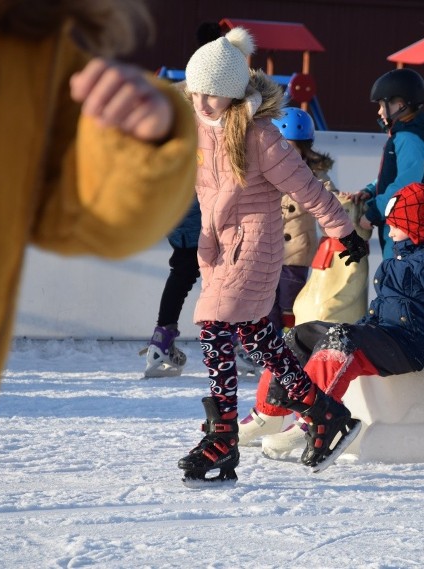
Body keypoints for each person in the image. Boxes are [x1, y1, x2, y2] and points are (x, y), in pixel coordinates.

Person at [0, 0, 198, 517]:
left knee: (210, 300)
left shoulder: (23, 40)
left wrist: (141, 143)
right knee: (202, 296)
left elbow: (77, 209)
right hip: (207, 241)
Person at [175, 27, 368, 484]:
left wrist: (343, 231)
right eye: (196, 92)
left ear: (233, 93)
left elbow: (307, 187)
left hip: (256, 248)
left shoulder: (261, 136)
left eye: (213, 95)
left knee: (213, 328)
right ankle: (326, 415)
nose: (202, 103)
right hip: (219, 249)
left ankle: (223, 436)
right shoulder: (199, 131)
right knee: (262, 341)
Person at [240, 182, 424, 454]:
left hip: (407, 346)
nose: (389, 232)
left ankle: (314, 417)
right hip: (383, 335)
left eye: (395, 225)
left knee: (339, 340)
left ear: (415, 225)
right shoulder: (398, 259)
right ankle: (269, 411)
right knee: (301, 334)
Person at [347, 68, 424, 259]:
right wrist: (371, 190)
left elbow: (404, 185)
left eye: (382, 105)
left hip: (403, 224)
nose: (379, 111)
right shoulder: (403, 135)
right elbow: (394, 176)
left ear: (399, 105)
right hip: (396, 220)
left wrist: (373, 213)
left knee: (396, 278)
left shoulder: (409, 139)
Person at [267, 106, 339, 333]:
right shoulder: (265, 172)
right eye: (282, 148)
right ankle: (267, 346)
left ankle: (290, 343)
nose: (286, 154)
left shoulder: (314, 176)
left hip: (296, 255)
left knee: (290, 303)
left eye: (292, 149)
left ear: (305, 150)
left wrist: (343, 203)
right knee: (266, 305)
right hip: (267, 253)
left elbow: (330, 198)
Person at [141, 196, 201, 378]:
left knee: (182, 273)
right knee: (221, 277)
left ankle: (161, 343)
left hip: (174, 214)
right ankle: (234, 342)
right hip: (200, 216)